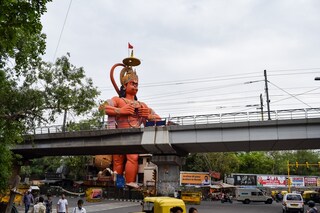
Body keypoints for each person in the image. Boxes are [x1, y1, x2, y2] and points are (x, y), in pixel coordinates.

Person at [100, 58, 160, 188]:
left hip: (134, 136)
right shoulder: (118, 100)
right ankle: (117, 184)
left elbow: (159, 120)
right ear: (124, 86)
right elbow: (102, 108)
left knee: (132, 157)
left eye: (137, 84)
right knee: (118, 161)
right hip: (118, 135)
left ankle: (129, 182)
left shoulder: (142, 105)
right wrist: (120, 110)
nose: (135, 86)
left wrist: (148, 115)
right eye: (132, 83)